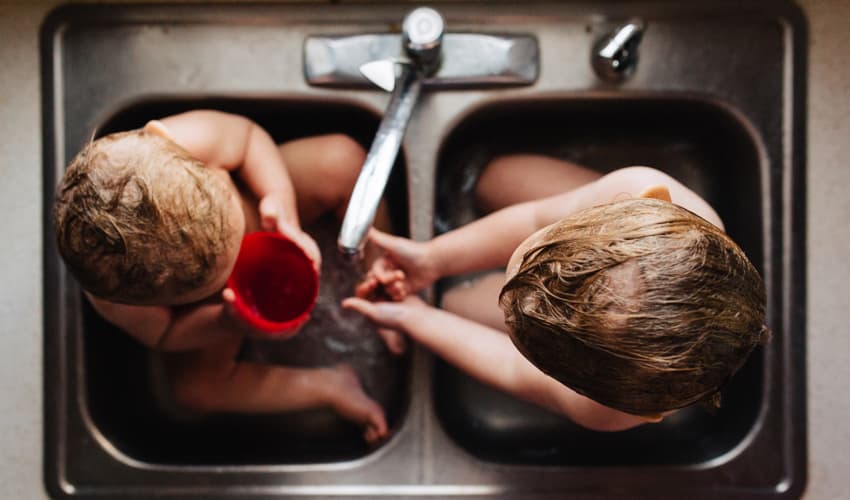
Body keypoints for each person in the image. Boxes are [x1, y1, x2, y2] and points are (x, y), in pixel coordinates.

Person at [344, 155, 770, 432]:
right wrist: (433, 259)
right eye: (538, 249)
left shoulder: (613, 408)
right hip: (600, 208)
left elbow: (514, 371)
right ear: (645, 203)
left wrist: (419, 318)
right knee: (495, 176)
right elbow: (534, 217)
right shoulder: (638, 189)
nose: (516, 303)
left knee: (456, 303)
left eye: (528, 336)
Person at [53, 110, 391, 443]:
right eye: (216, 277)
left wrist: (280, 201)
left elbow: (246, 138)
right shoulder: (115, 299)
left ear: (169, 143)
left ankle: (381, 272)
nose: (241, 262)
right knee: (194, 391)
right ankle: (329, 387)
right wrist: (225, 322)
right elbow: (166, 334)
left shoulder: (182, 140)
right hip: (226, 307)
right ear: (156, 299)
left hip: (261, 206)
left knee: (342, 159)